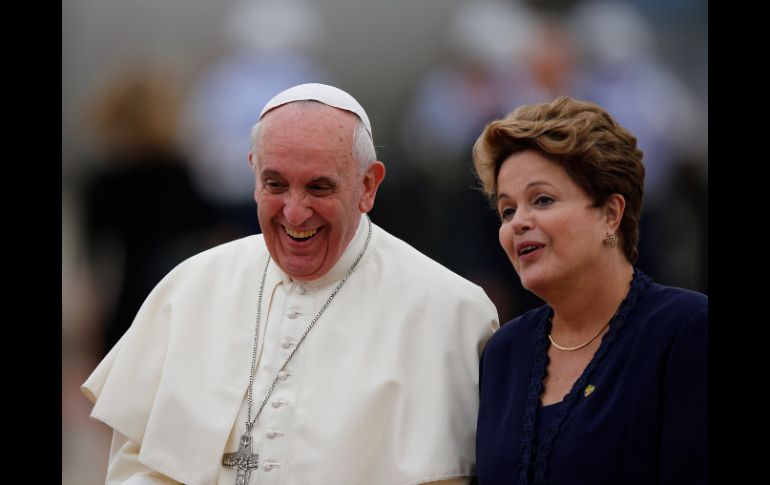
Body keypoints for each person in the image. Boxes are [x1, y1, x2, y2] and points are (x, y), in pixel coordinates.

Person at [82, 83, 499, 485]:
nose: (295, 212)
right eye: (275, 184)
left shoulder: (448, 311)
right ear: (253, 173)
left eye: (319, 187)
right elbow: (136, 466)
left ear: (368, 185)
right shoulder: (190, 288)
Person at [471, 96, 707, 484]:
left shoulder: (686, 330)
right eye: (507, 210)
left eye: (542, 200)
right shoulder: (504, 352)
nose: (518, 223)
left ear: (610, 214)